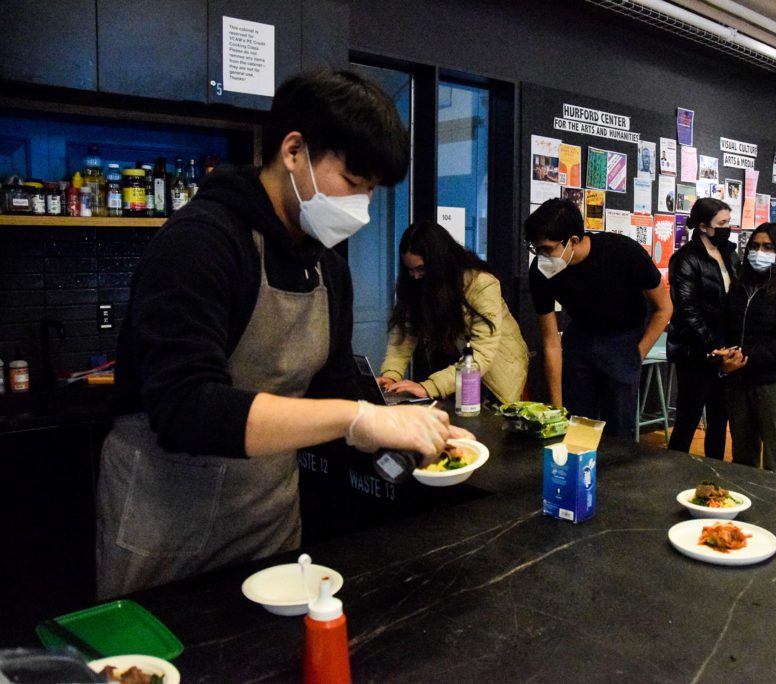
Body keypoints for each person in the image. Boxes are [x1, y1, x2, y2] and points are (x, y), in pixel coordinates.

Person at [95, 70, 470, 598]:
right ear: (293, 151)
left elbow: (335, 390)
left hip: (268, 525)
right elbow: (185, 409)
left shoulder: (327, 269)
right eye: (353, 182)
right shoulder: (199, 243)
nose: (362, 208)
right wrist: (357, 419)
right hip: (168, 527)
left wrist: (409, 434)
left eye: (371, 191)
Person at [525, 198, 672, 437]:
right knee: (578, 431)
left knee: (619, 434)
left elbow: (664, 308)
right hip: (580, 338)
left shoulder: (623, 252)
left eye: (547, 249)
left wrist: (637, 353)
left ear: (573, 241)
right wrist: (558, 409)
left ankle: (616, 463)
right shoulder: (541, 271)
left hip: (623, 340)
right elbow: (551, 341)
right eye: (535, 249)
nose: (541, 256)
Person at [378, 221, 528, 404]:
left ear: (439, 263)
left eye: (421, 269)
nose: (415, 276)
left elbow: (482, 352)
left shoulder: (481, 283)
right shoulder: (417, 285)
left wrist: (430, 387)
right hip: (451, 370)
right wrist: (391, 375)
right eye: (410, 270)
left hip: (492, 377)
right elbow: (404, 336)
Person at [715, 222, 776, 474]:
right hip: (738, 382)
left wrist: (744, 356)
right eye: (755, 246)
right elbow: (726, 325)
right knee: (742, 458)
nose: (760, 252)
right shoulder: (739, 285)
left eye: (768, 247)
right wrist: (724, 353)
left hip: (775, 383)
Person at [666, 198, 736, 457]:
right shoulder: (685, 259)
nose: (728, 228)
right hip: (695, 352)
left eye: (729, 222)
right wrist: (712, 345)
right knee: (688, 419)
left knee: (719, 419)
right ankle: (675, 471)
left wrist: (728, 346)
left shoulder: (729, 253)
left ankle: (713, 470)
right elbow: (687, 309)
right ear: (704, 226)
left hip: (724, 348)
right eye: (722, 223)